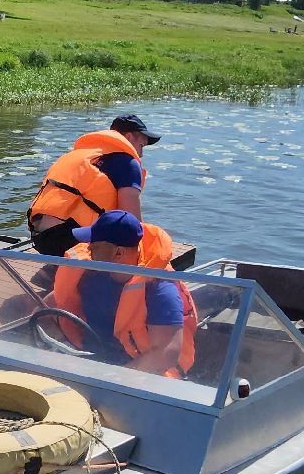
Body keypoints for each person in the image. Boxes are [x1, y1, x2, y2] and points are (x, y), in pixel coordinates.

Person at [45, 210, 196, 379]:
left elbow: (166, 353)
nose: (88, 248)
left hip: (136, 376)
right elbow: (52, 304)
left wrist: (113, 378)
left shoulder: (159, 289)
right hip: (87, 360)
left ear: (118, 253)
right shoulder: (90, 273)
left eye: (95, 245)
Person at [26, 114, 161, 258]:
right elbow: (132, 220)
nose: (141, 154)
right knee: (139, 246)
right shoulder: (127, 163)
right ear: (128, 137)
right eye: (141, 146)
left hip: (39, 236)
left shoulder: (81, 155)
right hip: (68, 241)